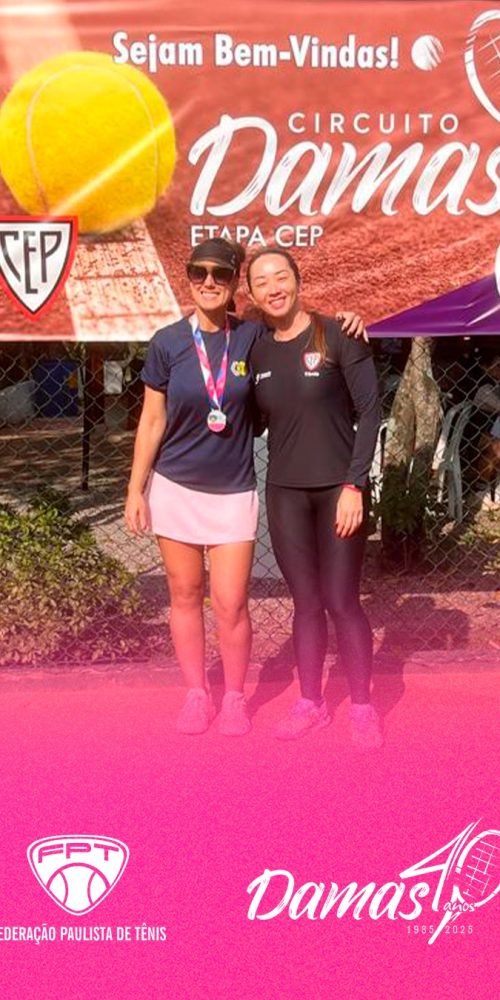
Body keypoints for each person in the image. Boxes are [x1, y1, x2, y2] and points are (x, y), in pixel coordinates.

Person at [125, 237, 365, 738]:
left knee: (231, 602)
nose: (209, 282)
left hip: (234, 489)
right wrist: (135, 489)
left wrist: (347, 320)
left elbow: (299, 331)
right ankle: (197, 694)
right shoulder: (167, 342)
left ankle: (234, 698)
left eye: (221, 274)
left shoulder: (253, 337)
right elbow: (151, 420)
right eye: (199, 273)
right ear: (189, 279)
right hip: (174, 486)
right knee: (184, 595)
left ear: (236, 284)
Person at [248, 248, 383, 749]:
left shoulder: (338, 333)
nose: (273, 287)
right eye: (262, 281)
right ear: (253, 294)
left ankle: (363, 706)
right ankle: (311, 703)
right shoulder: (256, 351)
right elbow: (250, 418)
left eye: (281, 276)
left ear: (298, 281)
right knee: (305, 602)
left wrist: (354, 485)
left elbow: (370, 413)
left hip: (338, 492)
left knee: (342, 600)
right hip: (285, 492)